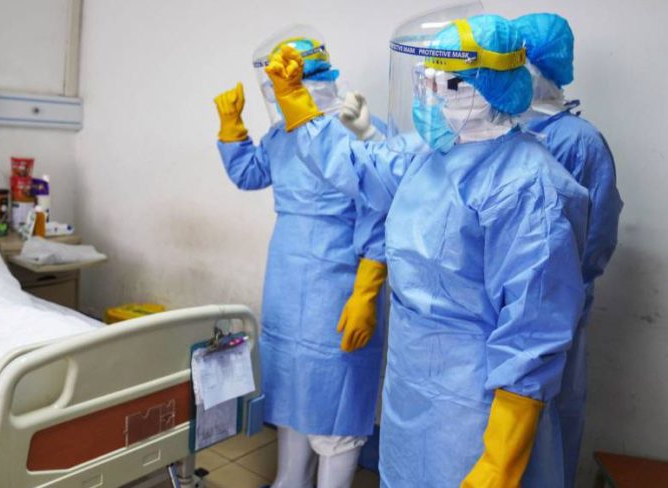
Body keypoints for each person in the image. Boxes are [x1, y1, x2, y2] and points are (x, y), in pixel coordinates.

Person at [265, 7, 590, 487]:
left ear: (492, 89)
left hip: (475, 401)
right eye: (427, 81)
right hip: (412, 385)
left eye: (447, 84)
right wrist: (296, 103)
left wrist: (500, 461)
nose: (430, 96)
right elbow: (356, 165)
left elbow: (532, 329)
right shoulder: (428, 157)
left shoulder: (527, 185)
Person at [213, 26, 388, 488]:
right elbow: (251, 174)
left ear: (303, 79)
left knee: (335, 397)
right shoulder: (282, 133)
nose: (276, 94)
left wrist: (366, 292)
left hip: (340, 280)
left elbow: (380, 209)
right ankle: (289, 479)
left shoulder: (358, 126)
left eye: (283, 83)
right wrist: (232, 129)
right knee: (291, 390)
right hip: (287, 278)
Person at [514, 13, 623, 487]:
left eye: (519, 62)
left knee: (550, 412)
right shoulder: (499, 133)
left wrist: (559, 289)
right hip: (500, 306)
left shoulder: (580, 142)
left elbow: (597, 236)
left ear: (541, 68)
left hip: (556, 307)